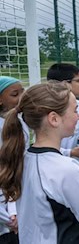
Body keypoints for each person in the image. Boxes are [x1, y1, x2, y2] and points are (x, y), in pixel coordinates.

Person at [0, 82, 79, 243]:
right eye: (74, 110)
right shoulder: (66, 170)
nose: (78, 116)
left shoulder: (22, 159)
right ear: (54, 119)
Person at [47, 63, 79, 175]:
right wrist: (70, 153)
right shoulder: (49, 112)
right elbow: (42, 147)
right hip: (59, 172)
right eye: (78, 81)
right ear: (65, 84)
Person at [0, 76, 25, 244]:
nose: (21, 98)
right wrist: (7, 218)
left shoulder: (20, 123)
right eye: (15, 94)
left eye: (23, 92)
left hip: (13, 207)